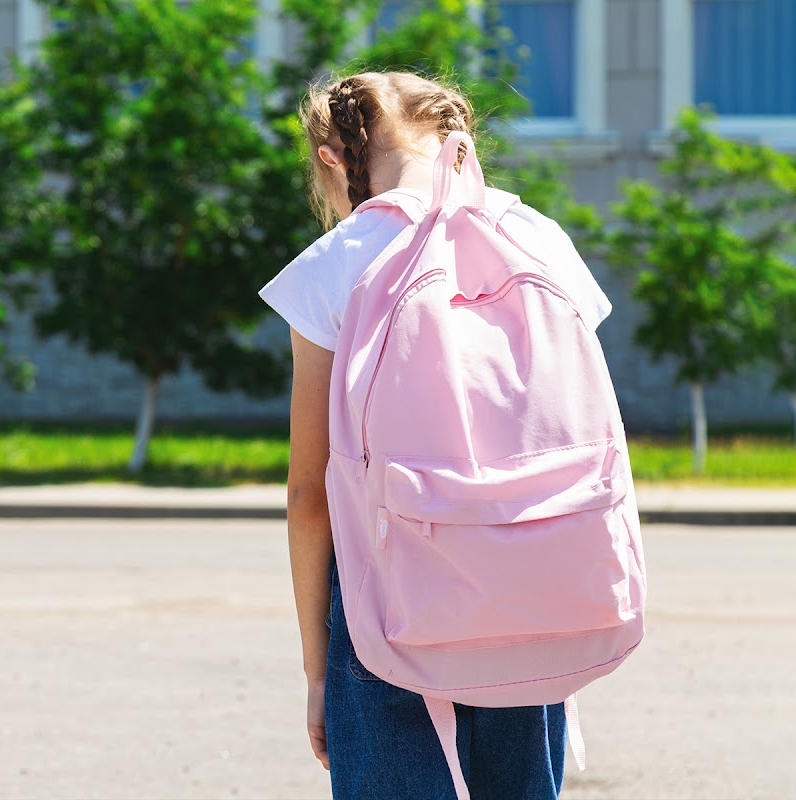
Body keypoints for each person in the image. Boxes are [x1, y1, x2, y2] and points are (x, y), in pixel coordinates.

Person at [257, 71, 615, 799]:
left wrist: (317, 670)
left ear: (332, 157)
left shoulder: (337, 263)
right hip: (532, 594)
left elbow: (308, 494)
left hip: (386, 610)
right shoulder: (540, 237)